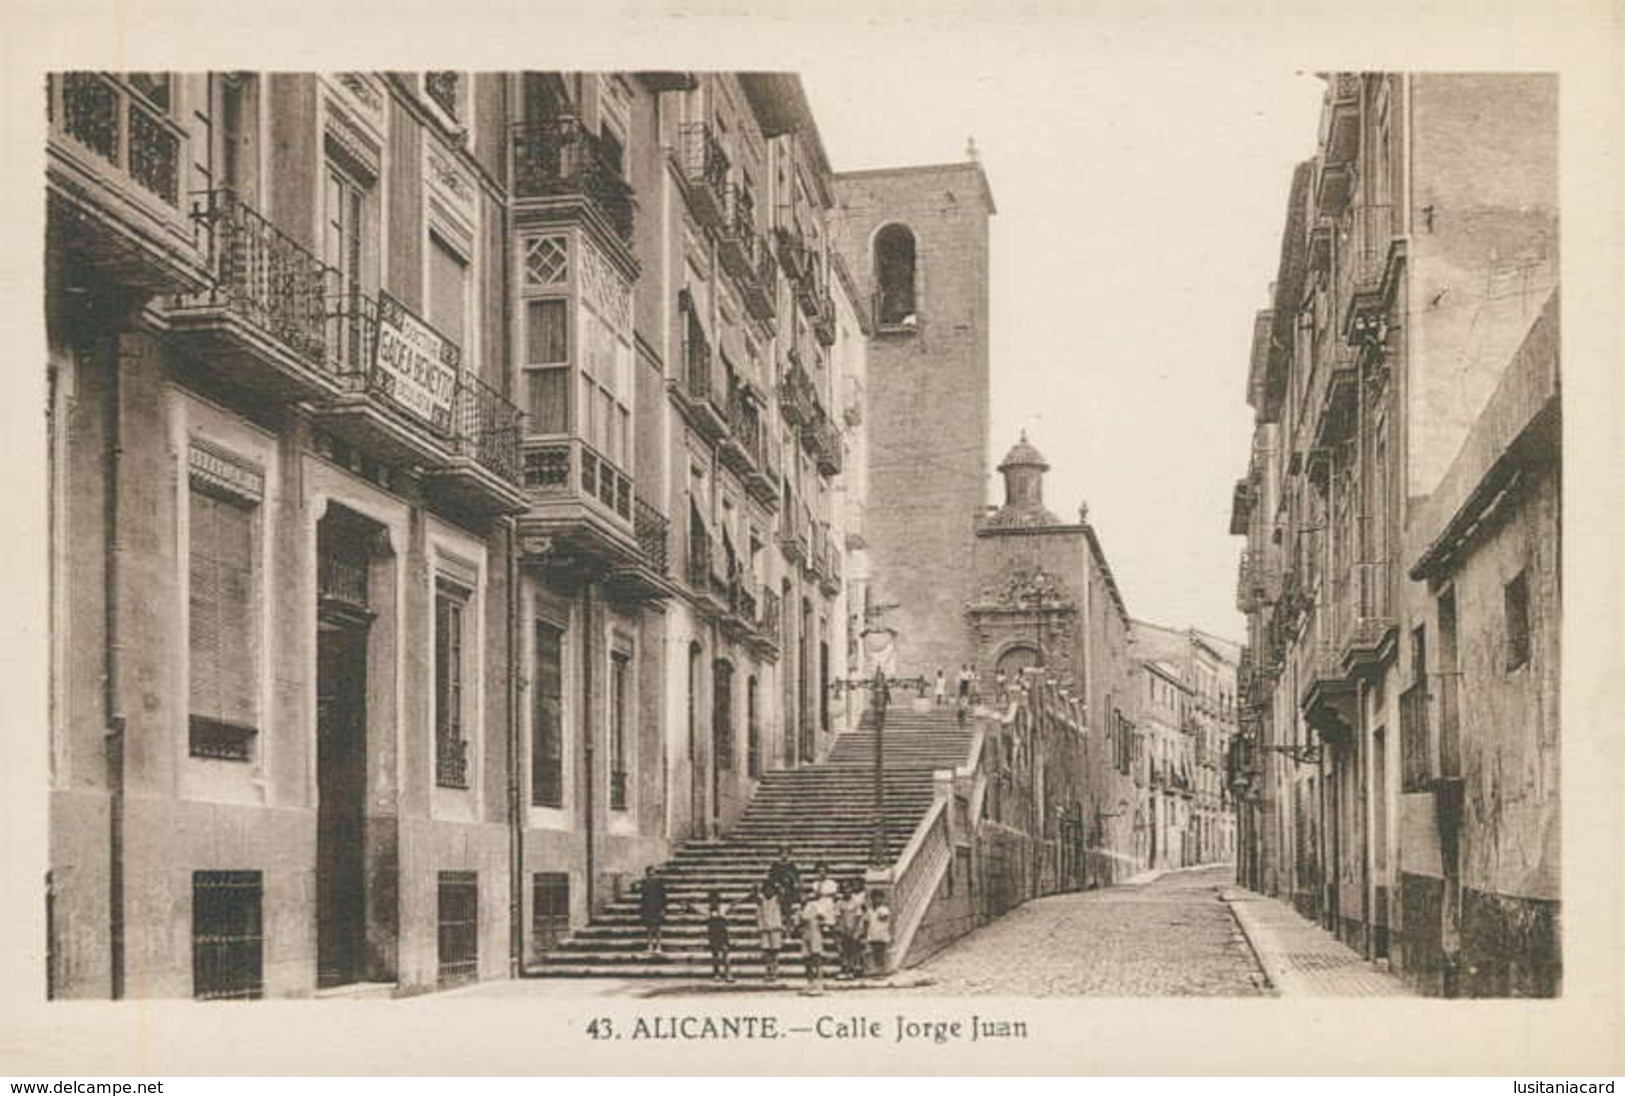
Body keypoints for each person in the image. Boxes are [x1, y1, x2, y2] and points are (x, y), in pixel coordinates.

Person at [836, 882, 869, 980]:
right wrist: (842, 928)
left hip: (854, 928)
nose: (847, 891)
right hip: (844, 928)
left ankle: (854, 969)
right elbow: (838, 916)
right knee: (844, 950)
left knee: (854, 949)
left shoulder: (855, 902)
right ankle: (846, 968)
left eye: (849, 889)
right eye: (845, 889)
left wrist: (853, 930)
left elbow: (858, 917)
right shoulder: (839, 903)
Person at [755, 882, 785, 984]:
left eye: (771, 890)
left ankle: (775, 971)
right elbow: (755, 895)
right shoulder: (761, 900)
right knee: (767, 951)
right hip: (765, 928)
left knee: (775, 951)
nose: (769, 892)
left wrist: (778, 886)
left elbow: (782, 893)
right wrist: (756, 888)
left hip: (775, 927)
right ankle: (768, 970)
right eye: (767, 890)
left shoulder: (776, 899)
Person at [636, 865, 668, 956]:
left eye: (653, 873)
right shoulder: (644, 883)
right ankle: (650, 946)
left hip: (657, 907)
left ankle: (658, 946)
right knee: (649, 929)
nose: (651, 875)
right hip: (647, 908)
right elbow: (642, 896)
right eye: (649, 873)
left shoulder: (659, 883)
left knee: (657, 928)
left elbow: (663, 897)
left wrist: (663, 909)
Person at [765, 846, 801, 924]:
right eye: (782, 853)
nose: (784, 855)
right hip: (777, 889)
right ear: (779, 855)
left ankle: (788, 921)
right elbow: (771, 877)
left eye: (786, 853)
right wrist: (776, 884)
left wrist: (795, 883)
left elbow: (796, 877)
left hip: (789, 889)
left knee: (788, 897)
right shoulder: (775, 865)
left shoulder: (791, 865)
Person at [866, 891, 893, 976]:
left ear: (882, 899)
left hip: (882, 935)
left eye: (878, 898)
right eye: (874, 898)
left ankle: (882, 972)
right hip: (872, 934)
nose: (876, 900)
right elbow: (867, 922)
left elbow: (884, 917)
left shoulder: (883, 909)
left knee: (881, 954)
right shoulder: (870, 910)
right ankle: (876, 970)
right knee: (875, 954)